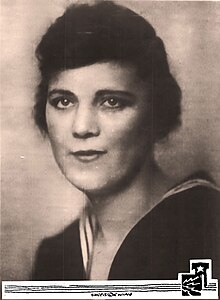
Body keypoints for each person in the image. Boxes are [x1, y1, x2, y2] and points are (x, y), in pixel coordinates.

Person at [32, 1, 220, 281]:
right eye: (63, 101)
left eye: (111, 102)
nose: (82, 128)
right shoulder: (55, 256)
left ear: (157, 110)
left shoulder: (207, 227)